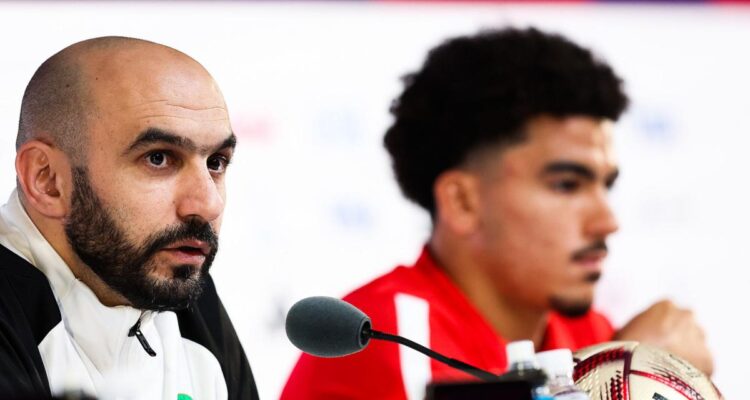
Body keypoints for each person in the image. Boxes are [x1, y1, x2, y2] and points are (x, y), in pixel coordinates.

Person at [280, 27, 713, 399]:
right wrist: (644, 376)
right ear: (463, 202)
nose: (607, 221)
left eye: (606, 185)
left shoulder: (592, 336)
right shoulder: (379, 343)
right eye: (567, 185)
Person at [0, 37, 258, 399]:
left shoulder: (176, 286)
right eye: (158, 158)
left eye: (215, 162)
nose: (207, 204)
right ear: (48, 180)